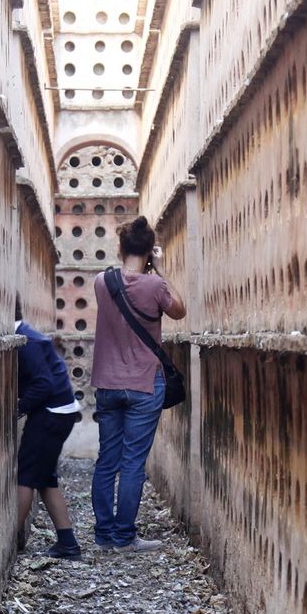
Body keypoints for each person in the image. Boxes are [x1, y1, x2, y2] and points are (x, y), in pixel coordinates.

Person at [90, 217, 188, 552]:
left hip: (107, 382)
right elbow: (179, 311)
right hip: (145, 384)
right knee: (133, 462)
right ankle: (124, 538)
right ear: (148, 251)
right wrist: (158, 269)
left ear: (120, 247)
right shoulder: (154, 286)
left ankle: (103, 536)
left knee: (107, 459)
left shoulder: (101, 282)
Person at [14, 301, 84, 560]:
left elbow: (43, 383)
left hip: (51, 414)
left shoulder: (26, 340)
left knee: (26, 477)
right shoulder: (27, 335)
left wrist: (19, 408)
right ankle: (68, 543)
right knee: (45, 479)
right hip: (58, 412)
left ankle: (13, 545)